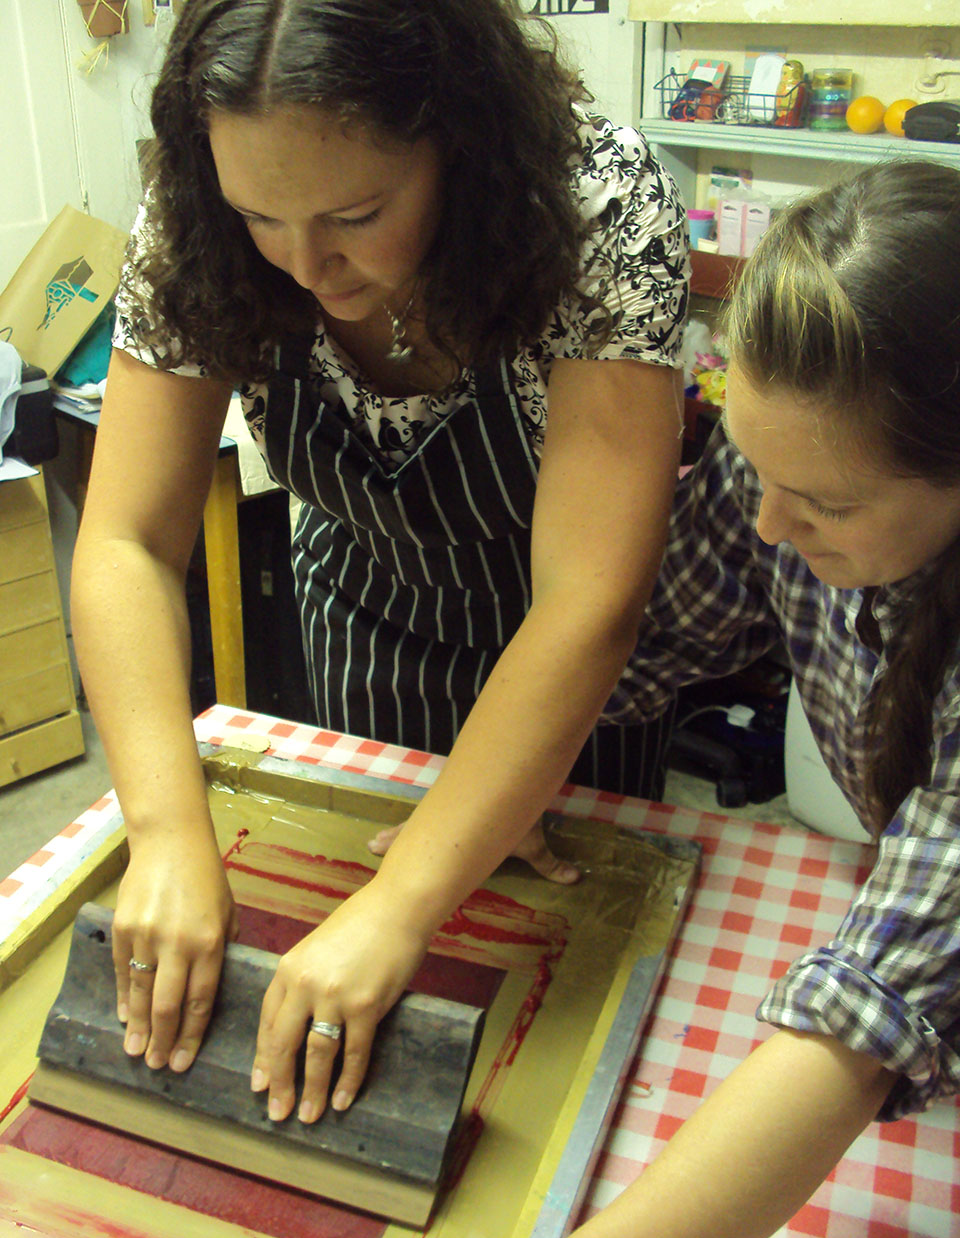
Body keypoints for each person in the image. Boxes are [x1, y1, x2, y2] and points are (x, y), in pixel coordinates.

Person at [71, 0, 688, 1127]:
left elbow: (589, 597)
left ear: (458, 136)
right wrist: (162, 829)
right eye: (261, 217)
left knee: (546, 1034)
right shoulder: (197, 210)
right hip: (366, 614)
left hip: (562, 663)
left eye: (355, 215)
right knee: (363, 1006)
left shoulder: (592, 203)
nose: (307, 264)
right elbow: (127, 542)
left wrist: (404, 903)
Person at [527, 159, 960, 1238]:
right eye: (750, 461)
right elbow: (651, 637)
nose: (769, 524)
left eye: (826, 505)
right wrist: (514, 779)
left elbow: (861, 1018)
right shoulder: (784, 468)